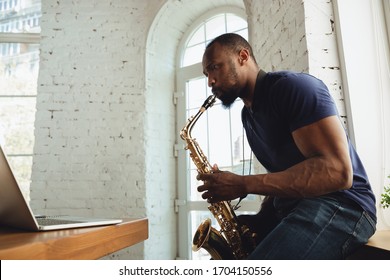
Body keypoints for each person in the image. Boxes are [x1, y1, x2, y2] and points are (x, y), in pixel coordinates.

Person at [197, 33, 377, 259]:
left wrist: (242, 184)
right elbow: (282, 176)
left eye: (215, 67)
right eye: (207, 73)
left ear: (243, 56)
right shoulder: (248, 115)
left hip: (345, 206)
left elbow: (337, 172)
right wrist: (260, 220)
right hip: (298, 207)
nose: (210, 81)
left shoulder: (293, 87)